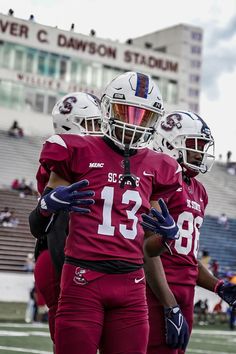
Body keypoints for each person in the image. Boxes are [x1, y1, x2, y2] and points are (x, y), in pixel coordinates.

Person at [30, 71, 182, 354]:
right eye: (127, 112)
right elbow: (37, 225)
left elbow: (150, 248)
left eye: (143, 117)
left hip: (132, 286)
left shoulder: (162, 167)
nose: (134, 124)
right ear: (107, 108)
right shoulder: (75, 150)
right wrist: (47, 205)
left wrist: (167, 237)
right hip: (82, 281)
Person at [141, 110, 236, 353]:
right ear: (169, 143)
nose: (200, 152)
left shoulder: (199, 190)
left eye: (203, 145)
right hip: (156, 289)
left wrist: (218, 286)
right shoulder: (158, 178)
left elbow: (187, 256)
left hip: (185, 291)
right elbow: (148, 250)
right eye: (195, 144)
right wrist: (169, 304)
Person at [29, 91, 102, 348]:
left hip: (72, 252)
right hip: (58, 254)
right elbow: (45, 221)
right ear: (72, 126)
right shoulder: (66, 157)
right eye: (95, 123)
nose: (101, 130)